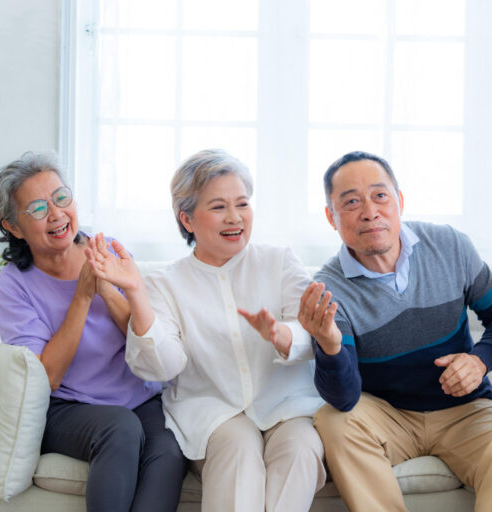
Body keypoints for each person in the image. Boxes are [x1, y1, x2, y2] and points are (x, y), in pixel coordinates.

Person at [86, 148, 326, 512]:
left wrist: (283, 335)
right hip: (213, 412)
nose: (235, 218)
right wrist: (135, 292)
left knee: (302, 449)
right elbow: (161, 367)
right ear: (187, 219)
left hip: (286, 406)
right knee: (238, 447)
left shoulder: (279, 260)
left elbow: (311, 335)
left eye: (242, 204)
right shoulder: (164, 284)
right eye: (218, 207)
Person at [299, 150, 492, 512]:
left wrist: (479, 361)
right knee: (333, 420)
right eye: (351, 202)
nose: (370, 211)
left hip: (465, 411)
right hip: (388, 414)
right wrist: (329, 346)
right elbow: (344, 399)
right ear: (331, 216)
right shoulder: (329, 289)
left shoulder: (450, 246)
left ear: (399, 201)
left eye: (380, 196)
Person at [0, 151, 187, 512]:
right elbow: (46, 376)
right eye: (37, 208)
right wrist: (82, 295)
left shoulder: (105, 250)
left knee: (170, 448)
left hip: (139, 397)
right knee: (120, 428)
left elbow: (144, 341)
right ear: (13, 227)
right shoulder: (9, 289)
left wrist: (109, 287)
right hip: (67, 406)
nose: (56, 213)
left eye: (61, 197)